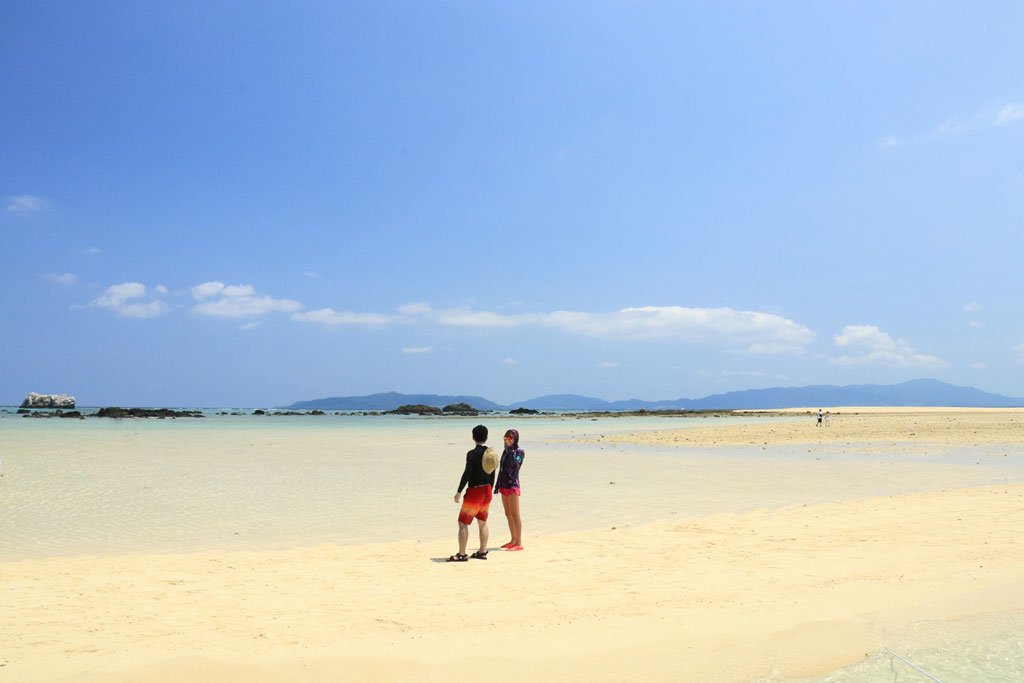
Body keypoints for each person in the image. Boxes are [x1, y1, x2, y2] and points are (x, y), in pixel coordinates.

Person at [448, 424, 494, 562]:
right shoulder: (491, 454)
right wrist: (490, 489)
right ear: (486, 437)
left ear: (473, 437)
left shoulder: (472, 454)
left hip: (475, 492)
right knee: (482, 522)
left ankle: (462, 554)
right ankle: (482, 552)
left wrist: (458, 491)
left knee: (463, 523)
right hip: (487, 491)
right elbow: (492, 474)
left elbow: (466, 474)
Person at [494, 428, 525, 551]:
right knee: (508, 514)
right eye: (505, 439)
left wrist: (511, 451)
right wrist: (497, 485)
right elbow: (501, 469)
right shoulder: (505, 451)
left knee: (515, 514)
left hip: (513, 485)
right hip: (504, 485)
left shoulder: (519, 452)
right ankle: (513, 540)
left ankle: (519, 542)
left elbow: (516, 466)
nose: (507, 441)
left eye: (510, 439)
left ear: (515, 439)